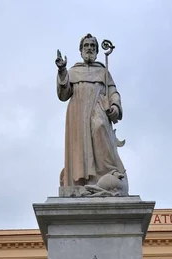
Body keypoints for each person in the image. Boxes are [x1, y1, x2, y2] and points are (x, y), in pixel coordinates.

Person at [56, 34, 128, 196]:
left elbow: (113, 92)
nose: (89, 48)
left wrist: (115, 105)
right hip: (78, 114)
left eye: (92, 46)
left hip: (98, 108)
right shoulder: (73, 71)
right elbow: (63, 94)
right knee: (80, 145)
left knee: (100, 128)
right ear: (81, 51)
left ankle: (108, 174)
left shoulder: (103, 71)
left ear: (96, 51)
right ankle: (82, 182)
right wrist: (62, 71)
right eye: (86, 46)